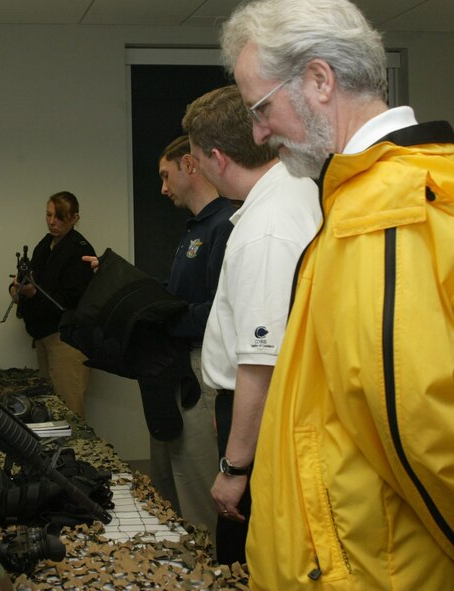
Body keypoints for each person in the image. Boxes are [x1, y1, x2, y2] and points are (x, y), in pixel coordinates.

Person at [220, 0, 454, 588]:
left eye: (262, 107)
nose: (257, 131)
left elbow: (424, 433)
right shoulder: (366, 197)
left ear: (319, 81)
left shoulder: (380, 214)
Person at [181, 85, 321, 565]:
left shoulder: (265, 228)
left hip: (259, 422)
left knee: (244, 556)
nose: (197, 168)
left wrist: (235, 467)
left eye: (196, 159)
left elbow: (260, 365)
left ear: (218, 158)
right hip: (283, 414)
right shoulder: (292, 189)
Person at [141, 135, 235, 540]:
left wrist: (165, 319)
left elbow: (218, 312)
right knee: (169, 480)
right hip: (174, 370)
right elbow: (177, 297)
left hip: (202, 369)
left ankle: (210, 574)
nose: (163, 188)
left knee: (196, 485)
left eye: (166, 176)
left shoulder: (224, 227)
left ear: (190, 166)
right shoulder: (193, 230)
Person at [11, 191, 95, 418]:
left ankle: (77, 454)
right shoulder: (45, 244)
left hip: (66, 341)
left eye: (60, 217)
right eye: (49, 215)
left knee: (69, 411)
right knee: (49, 409)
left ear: (75, 218)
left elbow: (69, 302)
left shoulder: (80, 251)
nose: (52, 221)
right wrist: (17, 289)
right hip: (44, 335)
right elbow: (33, 281)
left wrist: (32, 293)